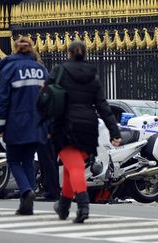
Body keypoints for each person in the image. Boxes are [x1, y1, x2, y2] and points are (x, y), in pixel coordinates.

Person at [48, 41, 121, 224]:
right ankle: (63, 206)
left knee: (74, 167)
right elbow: (102, 105)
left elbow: (47, 96)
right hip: (89, 125)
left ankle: (83, 206)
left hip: (65, 124)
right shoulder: (92, 74)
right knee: (72, 166)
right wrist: (114, 131)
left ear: (69, 54)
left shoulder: (60, 70)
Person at [0, 37, 48, 215]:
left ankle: (26, 191)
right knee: (27, 160)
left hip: (16, 123)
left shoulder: (10, 68)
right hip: (38, 123)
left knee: (13, 160)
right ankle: (27, 204)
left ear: (14, 49)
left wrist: (0, 127)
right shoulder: (40, 69)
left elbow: (2, 100)